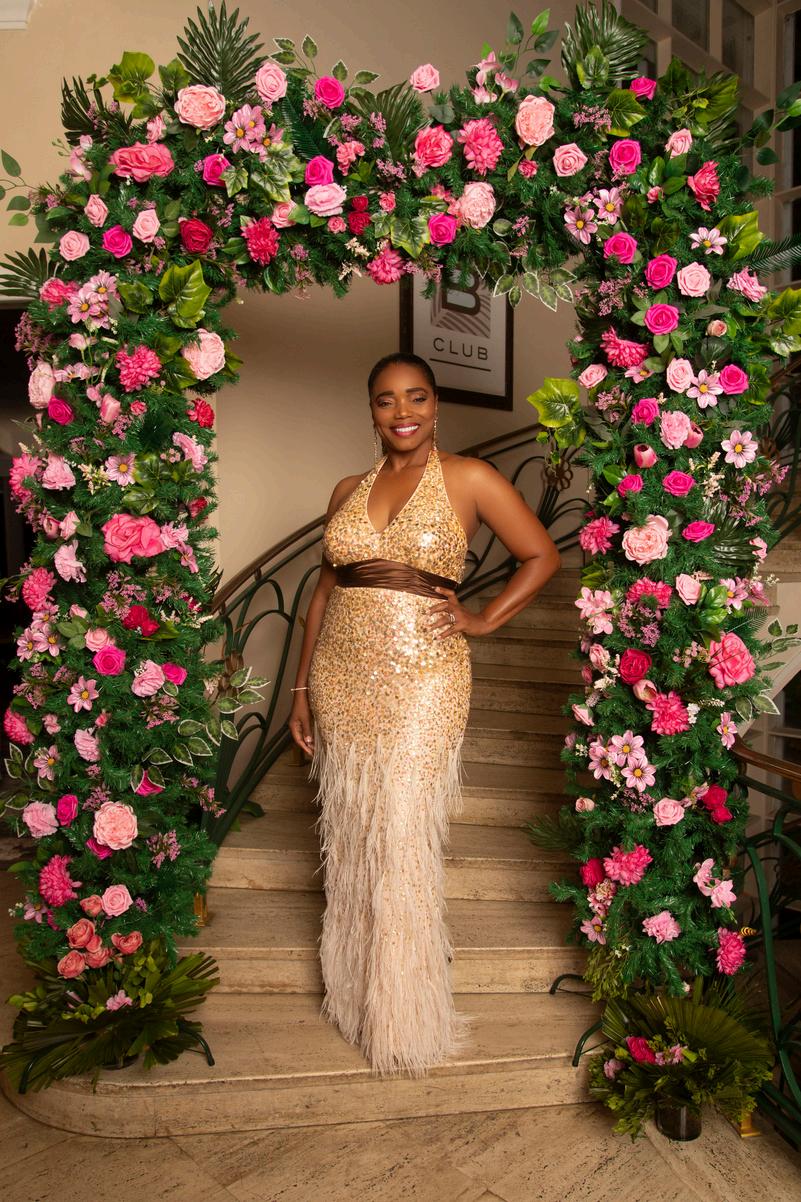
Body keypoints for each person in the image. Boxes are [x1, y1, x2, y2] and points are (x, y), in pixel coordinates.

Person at [288, 351, 562, 1078]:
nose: (402, 411)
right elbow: (323, 595)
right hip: (341, 675)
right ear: (372, 411)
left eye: (415, 396)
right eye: (386, 400)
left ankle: (404, 1017)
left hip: (423, 679)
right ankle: (358, 998)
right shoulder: (346, 489)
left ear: (436, 404)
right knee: (354, 833)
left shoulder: (469, 477)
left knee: (401, 835)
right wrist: (301, 690)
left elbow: (541, 555)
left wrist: (483, 619)